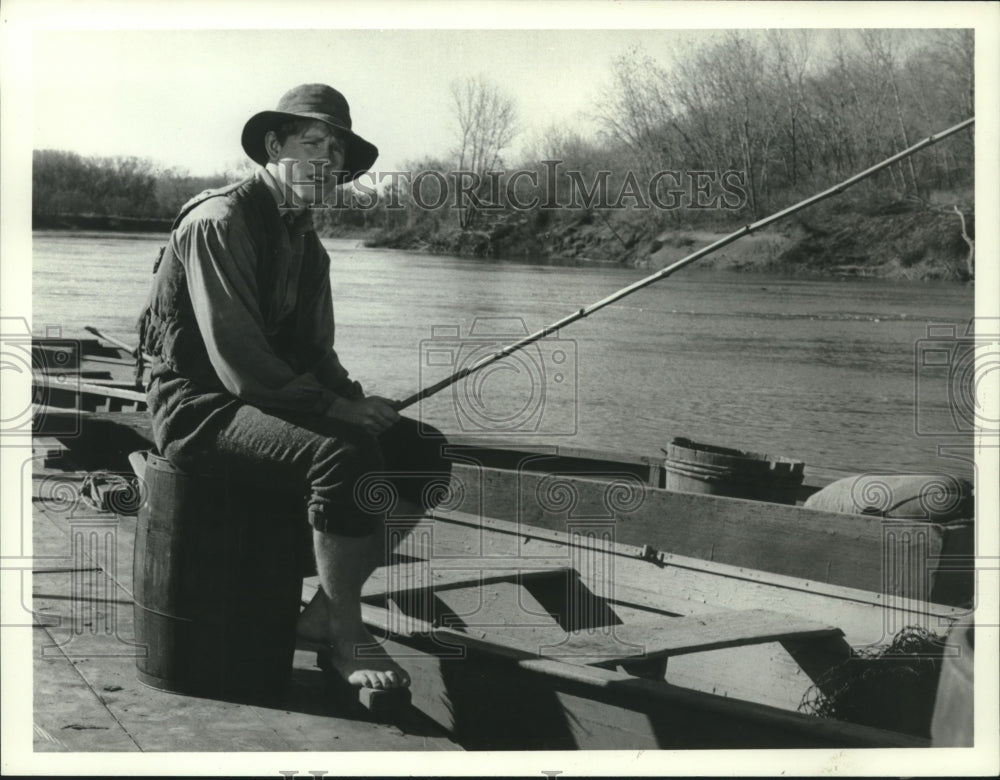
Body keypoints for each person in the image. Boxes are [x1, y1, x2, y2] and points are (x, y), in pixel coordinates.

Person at [137, 83, 449, 695]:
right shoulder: (218, 221)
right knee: (343, 454)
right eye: (311, 144)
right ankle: (347, 634)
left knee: (421, 450)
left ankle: (328, 610)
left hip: (258, 402)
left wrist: (357, 402)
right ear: (274, 146)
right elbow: (240, 363)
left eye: (337, 152)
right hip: (196, 409)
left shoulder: (307, 243)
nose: (325, 161)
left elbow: (315, 355)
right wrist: (336, 412)